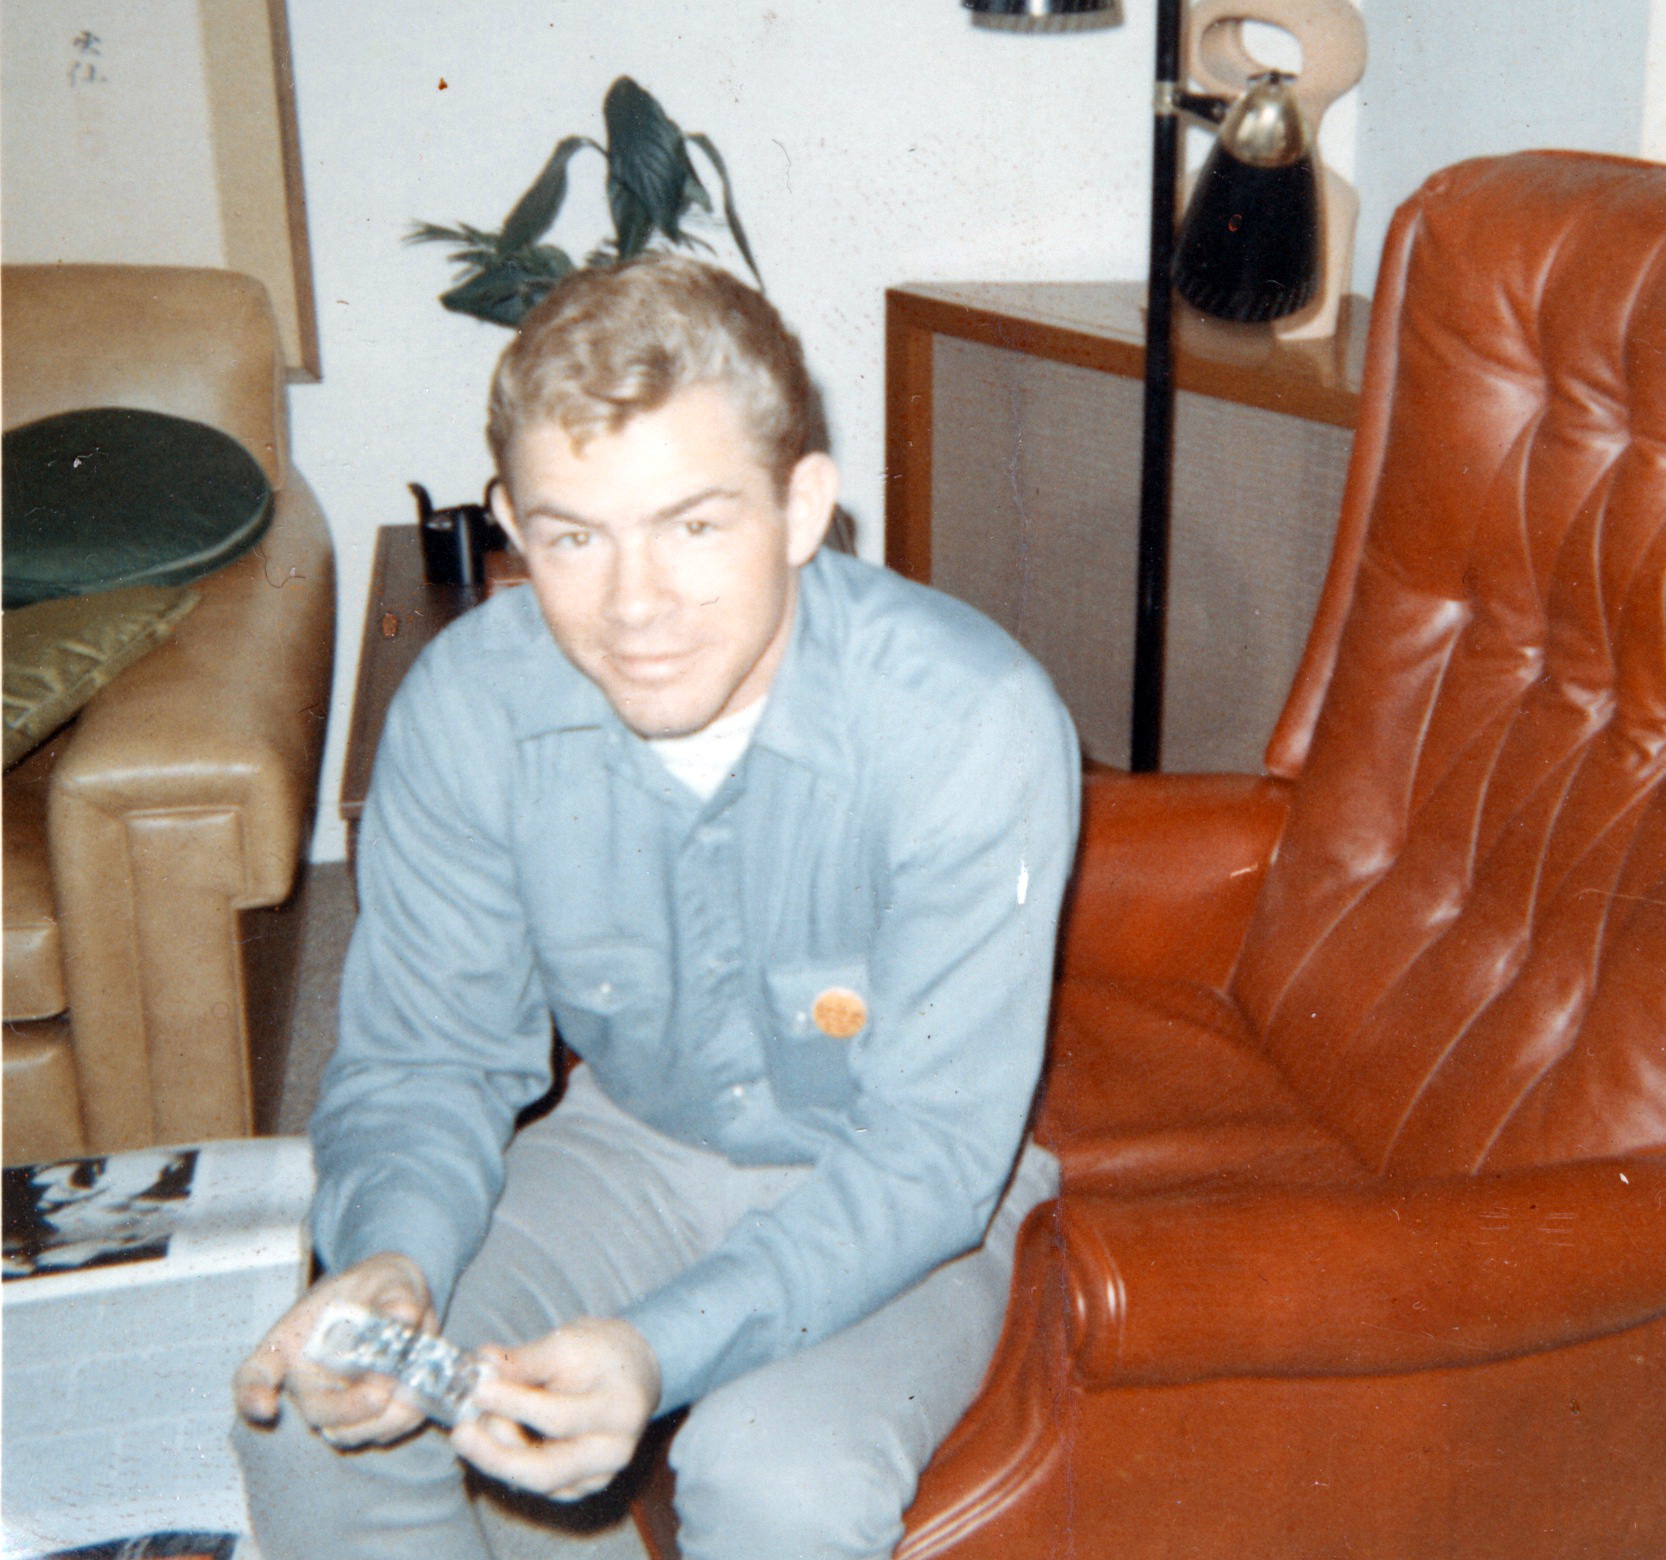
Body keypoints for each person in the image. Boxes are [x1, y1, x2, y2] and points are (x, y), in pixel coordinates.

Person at [231, 255, 1079, 1559]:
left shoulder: (972, 719)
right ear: (512, 523)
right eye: (575, 536)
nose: (635, 608)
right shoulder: (466, 709)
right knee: (316, 1416)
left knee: (771, 1476)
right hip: (639, 1138)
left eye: (694, 526)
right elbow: (426, 1059)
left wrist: (656, 1347)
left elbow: (927, 1161)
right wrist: (394, 1256)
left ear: (802, 507)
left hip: (907, 1194)